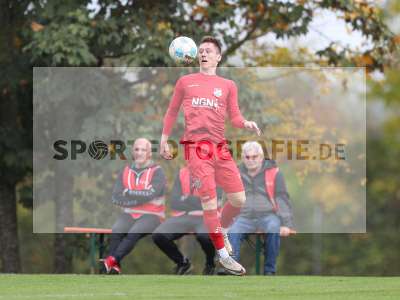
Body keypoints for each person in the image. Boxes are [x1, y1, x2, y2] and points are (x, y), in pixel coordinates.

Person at [160, 36, 261, 275]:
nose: (204, 54)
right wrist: (163, 140)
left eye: (209, 51)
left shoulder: (228, 85)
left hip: (220, 148)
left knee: (238, 200)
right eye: (201, 51)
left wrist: (246, 123)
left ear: (218, 57)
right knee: (209, 201)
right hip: (195, 148)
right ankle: (224, 257)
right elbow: (172, 111)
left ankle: (222, 229)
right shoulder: (185, 82)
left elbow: (234, 118)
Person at [228, 141, 295, 275]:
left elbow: (282, 199)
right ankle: (232, 270)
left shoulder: (274, 173)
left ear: (261, 157)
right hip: (244, 217)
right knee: (233, 231)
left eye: (254, 157)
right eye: (247, 157)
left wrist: (286, 224)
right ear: (243, 158)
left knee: (273, 228)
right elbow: (226, 197)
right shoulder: (235, 173)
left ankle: (270, 270)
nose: (251, 160)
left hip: (268, 216)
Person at [101, 138, 167, 274]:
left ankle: (110, 260)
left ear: (149, 153)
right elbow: (116, 197)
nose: (140, 153)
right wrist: (134, 200)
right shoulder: (125, 171)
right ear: (133, 152)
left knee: (133, 233)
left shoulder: (157, 172)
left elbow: (150, 195)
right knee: (117, 230)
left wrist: (129, 192)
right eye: (137, 149)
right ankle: (114, 268)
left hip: (152, 215)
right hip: (130, 212)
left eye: (143, 150)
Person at [152, 166, 223, 275]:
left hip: (207, 216)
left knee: (204, 236)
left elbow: (213, 201)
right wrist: (199, 201)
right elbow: (174, 202)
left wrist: (187, 199)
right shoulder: (182, 173)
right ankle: (182, 263)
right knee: (159, 235)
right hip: (184, 215)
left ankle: (210, 263)